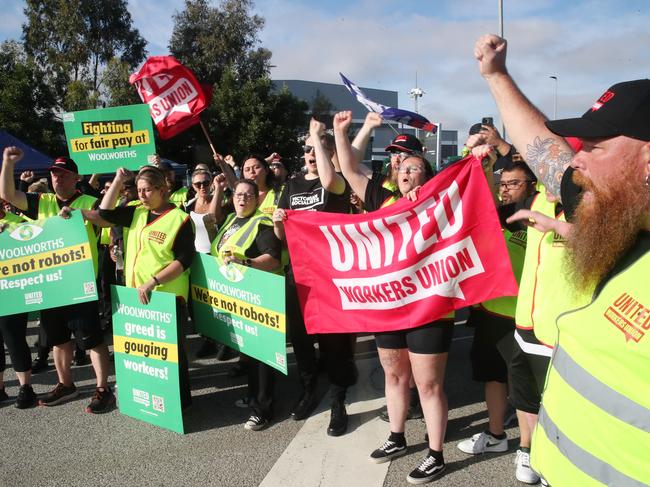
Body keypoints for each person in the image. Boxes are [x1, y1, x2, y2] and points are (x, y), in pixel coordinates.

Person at [475, 33, 650, 486]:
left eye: (595, 148)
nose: (577, 163)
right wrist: (496, 76)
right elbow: (540, 147)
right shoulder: (619, 214)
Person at [334, 110, 452, 484]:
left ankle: (436, 454)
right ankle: (397, 437)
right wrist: (344, 131)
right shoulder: (381, 200)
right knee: (394, 376)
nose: (404, 170)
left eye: (414, 168)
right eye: (401, 167)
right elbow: (349, 169)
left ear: (427, 175)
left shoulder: (441, 201)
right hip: (389, 308)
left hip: (429, 308)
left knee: (429, 384)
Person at [0, 149, 114, 413]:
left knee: (92, 339)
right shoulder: (43, 201)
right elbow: (8, 195)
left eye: (63, 175)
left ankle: (102, 388)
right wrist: (7, 162)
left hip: (79, 284)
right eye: (54, 174)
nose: (57, 179)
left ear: (76, 177)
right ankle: (66, 384)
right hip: (51, 285)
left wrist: (80, 215)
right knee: (57, 338)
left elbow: (107, 219)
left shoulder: (89, 200)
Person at [76, 165, 195, 409]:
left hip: (167, 297)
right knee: (146, 354)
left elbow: (183, 260)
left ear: (162, 190)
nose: (142, 195)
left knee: (172, 355)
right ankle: (153, 404)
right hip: (137, 297)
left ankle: (180, 405)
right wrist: (119, 179)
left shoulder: (179, 218)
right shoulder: (136, 212)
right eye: (139, 190)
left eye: (148, 190)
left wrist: (153, 281)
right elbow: (105, 212)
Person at [273, 118, 356, 437]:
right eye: (306, 150)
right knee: (301, 338)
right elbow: (281, 235)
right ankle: (308, 390)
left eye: (316, 150)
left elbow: (329, 179)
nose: (310, 153)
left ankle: (338, 398)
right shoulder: (290, 186)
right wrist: (279, 221)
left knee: (334, 340)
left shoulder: (335, 184)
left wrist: (318, 139)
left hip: (330, 275)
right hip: (298, 275)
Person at [208, 178, 282, 430]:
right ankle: (254, 396)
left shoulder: (262, 223)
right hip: (237, 297)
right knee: (248, 352)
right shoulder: (231, 220)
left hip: (258, 298)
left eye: (248, 195)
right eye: (238, 194)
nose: (242, 198)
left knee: (261, 355)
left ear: (256, 199)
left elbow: (272, 259)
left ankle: (263, 409)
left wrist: (246, 263)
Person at [0, 199, 38, 408]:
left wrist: (8, 234)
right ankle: (1, 388)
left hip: (12, 291)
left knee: (13, 337)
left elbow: (32, 248)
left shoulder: (18, 221)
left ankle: (26, 388)